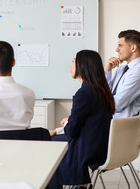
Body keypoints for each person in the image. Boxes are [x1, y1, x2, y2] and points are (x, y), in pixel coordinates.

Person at [56, 50, 115, 188]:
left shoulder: (83, 93)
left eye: (73, 61)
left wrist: (67, 123)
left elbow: (71, 131)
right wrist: (68, 122)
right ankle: (81, 185)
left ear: (82, 66)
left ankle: (78, 184)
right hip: (100, 146)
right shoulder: (101, 90)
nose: (71, 65)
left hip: (88, 150)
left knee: (48, 145)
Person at [105, 29, 140, 118]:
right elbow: (108, 93)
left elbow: (116, 105)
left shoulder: (139, 72)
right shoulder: (122, 69)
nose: (116, 49)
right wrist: (107, 71)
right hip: (109, 121)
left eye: (120, 46)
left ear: (133, 48)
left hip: (118, 126)